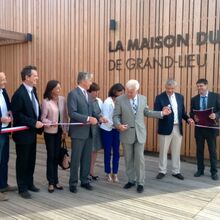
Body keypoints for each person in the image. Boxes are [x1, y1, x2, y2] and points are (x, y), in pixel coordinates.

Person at [113, 79, 171, 193]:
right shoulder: (120, 100)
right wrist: (118, 125)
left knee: (140, 159)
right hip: (126, 133)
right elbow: (115, 116)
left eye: (131, 92)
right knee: (128, 159)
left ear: (137, 90)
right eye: (128, 91)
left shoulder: (143, 99)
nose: (129, 94)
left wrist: (161, 113)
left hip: (140, 133)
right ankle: (131, 180)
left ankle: (140, 182)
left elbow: (147, 112)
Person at [67, 72, 106, 193]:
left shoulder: (88, 95)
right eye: (90, 80)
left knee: (86, 158)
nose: (91, 83)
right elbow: (72, 113)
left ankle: (84, 181)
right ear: (83, 81)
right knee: (76, 159)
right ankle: (73, 183)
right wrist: (88, 119)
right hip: (78, 133)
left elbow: (92, 111)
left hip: (89, 132)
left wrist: (99, 118)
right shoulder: (73, 94)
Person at [11, 65, 44, 199]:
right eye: (35, 76)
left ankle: (29, 183)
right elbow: (17, 115)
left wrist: (40, 120)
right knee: (22, 161)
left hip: (32, 133)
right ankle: (22, 187)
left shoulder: (33, 90)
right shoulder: (19, 94)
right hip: (23, 135)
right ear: (27, 77)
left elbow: (35, 109)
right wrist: (33, 122)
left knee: (31, 160)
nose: (37, 78)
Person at [154, 79, 194, 180]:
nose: (170, 90)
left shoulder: (180, 97)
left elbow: (182, 112)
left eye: (172, 88)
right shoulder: (159, 97)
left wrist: (188, 118)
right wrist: (162, 112)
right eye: (168, 88)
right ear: (165, 87)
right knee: (163, 151)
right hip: (165, 128)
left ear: (175, 88)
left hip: (177, 127)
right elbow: (156, 112)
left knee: (176, 151)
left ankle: (176, 171)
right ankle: (162, 171)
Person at [41, 80, 69, 193]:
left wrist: (65, 130)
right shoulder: (46, 101)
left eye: (59, 88)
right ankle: (51, 182)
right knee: (51, 156)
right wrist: (49, 122)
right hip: (50, 132)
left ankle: (56, 181)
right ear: (51, 89)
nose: (59, 90)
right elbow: (42, 118)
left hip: (60, 131)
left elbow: (65, 117)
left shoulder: (62, 99)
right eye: (57, 88)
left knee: (57, 156)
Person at [190, 78, 220, 180]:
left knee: (212, 151)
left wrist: (216, 115)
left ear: (206, 85)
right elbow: (192, 112)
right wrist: (194, 116)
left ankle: (214, 172)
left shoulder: (216, 96)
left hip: (211, 129)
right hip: (199, 129)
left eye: (201, 86)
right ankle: (200, 170)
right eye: (198, 86)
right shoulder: (194, 99)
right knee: (199, 150)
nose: (199, 88)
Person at [100, 83, 125, 182]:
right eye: (121, 92)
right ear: (115, 91)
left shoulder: (120, 101)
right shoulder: (107, 102)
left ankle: (115, 173)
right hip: (107, 129)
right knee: (107, 152)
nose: (123, 94)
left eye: (123, 92)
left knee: (116, 152)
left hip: (116, 129)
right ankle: (107, 172)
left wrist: (120, 125)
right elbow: (105, 119)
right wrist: (116, 125)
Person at [0, 72, 17, 201]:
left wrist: (10, 113)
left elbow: (9, 105)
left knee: (4, 159)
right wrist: (1, 119)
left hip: (5, 131)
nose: (5, 81)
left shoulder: (3, 91)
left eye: (5, 79)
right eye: (2, 79)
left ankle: (3, 185)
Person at [87, 82, 103, 181]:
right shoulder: (86, 101)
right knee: (87, 151)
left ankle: (92, 171)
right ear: (89, 92)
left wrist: (102, 118)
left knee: (95, 150)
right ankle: (85, 172)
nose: (97, 93)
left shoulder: (98, 101)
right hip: (88, 129)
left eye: (98, 91)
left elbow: (100, 113)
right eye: (95, 91)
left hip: (96, 128)